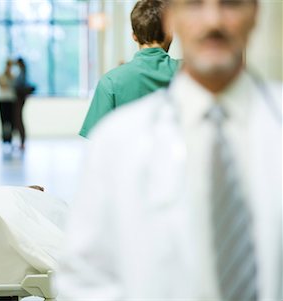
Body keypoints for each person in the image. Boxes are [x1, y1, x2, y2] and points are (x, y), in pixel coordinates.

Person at [57, 0, 281, 300]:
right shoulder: (114, 141)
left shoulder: (112, 82)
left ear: (255, 12)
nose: (213, 20)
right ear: (171, 23)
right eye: (194, 5)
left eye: (230, 3)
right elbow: (87, 276)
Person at [79, 0, 180, 138]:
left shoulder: (110, 82)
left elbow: (95, 140)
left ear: (134, 36)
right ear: (170, 33)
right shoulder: (191, 75)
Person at [14, 57, 34, 150]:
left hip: (20, 98)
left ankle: (22, 141)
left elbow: (18, 84)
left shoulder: (22, 73)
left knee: (19, 119)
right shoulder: (22, 72)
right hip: (20, 98)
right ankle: (22, 141)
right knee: (19, 119)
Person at [0, 59, 16, 148]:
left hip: (11, 101)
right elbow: (2, 85)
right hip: (3, 101)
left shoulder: (13, 76)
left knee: (11, 121)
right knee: (3, 121)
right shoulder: (1, 76)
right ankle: (4, 140)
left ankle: (10, 139)